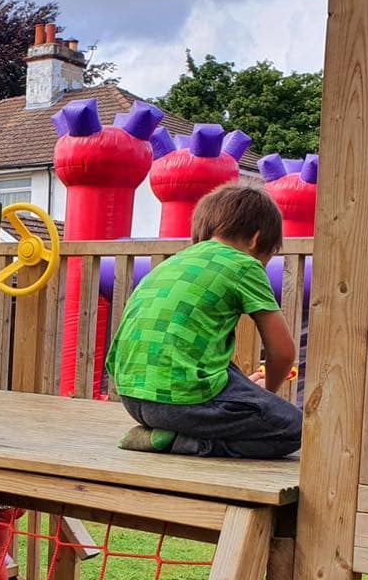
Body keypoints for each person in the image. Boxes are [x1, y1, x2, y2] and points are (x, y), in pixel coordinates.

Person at [105, 183, 302, 458]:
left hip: (131, 395)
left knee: (215, 358)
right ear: (257, 240)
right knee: (293, 427)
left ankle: (162, 433)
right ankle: (187, 443)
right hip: (180, 402)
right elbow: (283, 353)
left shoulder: (173, 262)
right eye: (268, 257)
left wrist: (246, 391)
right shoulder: (244, 264)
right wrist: (267, 394)